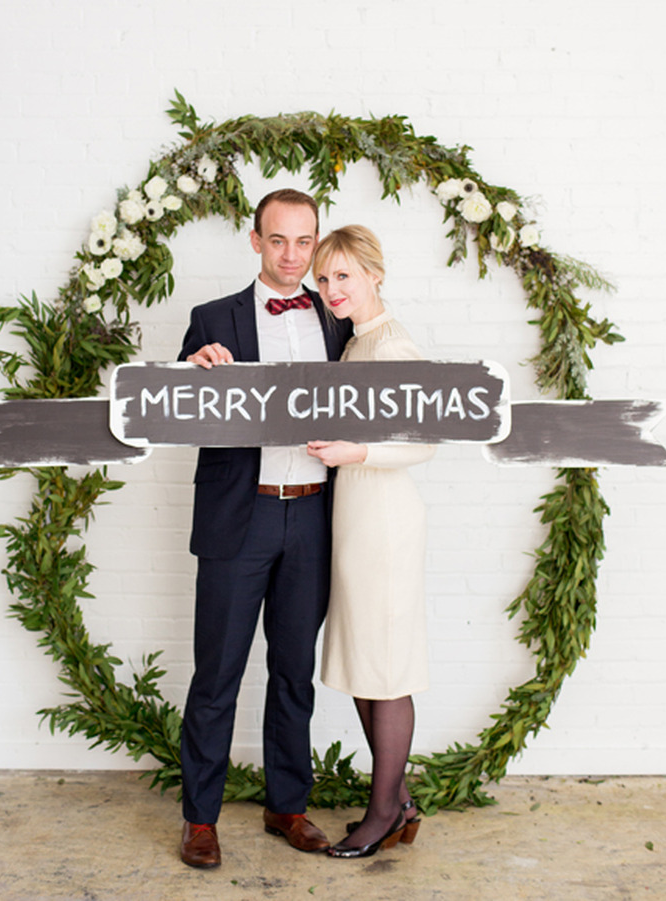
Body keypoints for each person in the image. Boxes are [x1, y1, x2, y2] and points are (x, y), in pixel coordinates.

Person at [177, 189, 352, 869]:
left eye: (304, 241)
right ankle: (200, 818)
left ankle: (288, 805)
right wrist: (194, 373)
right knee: (217, 673)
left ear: (316, 244)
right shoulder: (211, 318)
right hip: (238, 516)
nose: (291, 255)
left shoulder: (336, 320)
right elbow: (176, 408)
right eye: (278, 240)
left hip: (311, 515)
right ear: (256, 241)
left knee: (293, 672)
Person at [307, 225, 435, 858]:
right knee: (367, 660)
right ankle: (401, 801)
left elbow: (426, 441)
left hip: (383, 520)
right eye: (324, 278)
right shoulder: (356, 343)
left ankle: (383, 811)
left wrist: (355, 452)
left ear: (374, 274)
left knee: (385, 667)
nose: (332, 289)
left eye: (344, 276)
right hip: (356, 517)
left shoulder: (392, 345)